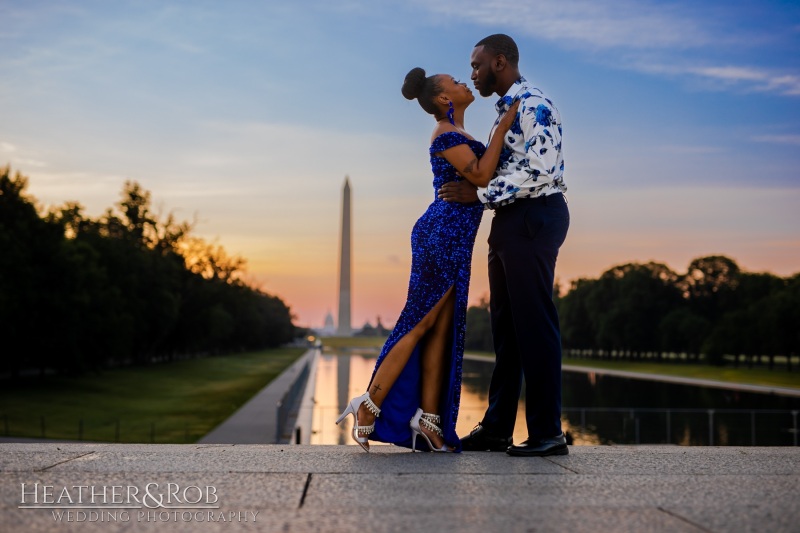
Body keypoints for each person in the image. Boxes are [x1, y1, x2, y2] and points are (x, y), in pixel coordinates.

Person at [336, 67, 520, 452]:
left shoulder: (460, 134)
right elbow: (484, 177)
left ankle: (431, 421)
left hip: (455, 238)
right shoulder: (446, 134)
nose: (463, 82)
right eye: (455, 81)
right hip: (440, 236)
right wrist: (502, 128)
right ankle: (369, 405)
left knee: (441, 328)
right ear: (443, 99)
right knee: (419, 322)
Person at [439, 34, 570, 457]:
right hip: (511, 220)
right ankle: (497, 428)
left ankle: (548, 433)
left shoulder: (534, 104)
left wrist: (478, 195)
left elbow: (541, 172)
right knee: (506, 330)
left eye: (476, 66)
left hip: (535, 215)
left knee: (534, 324)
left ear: (499, 62)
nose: (472, 73)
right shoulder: (505, 109)